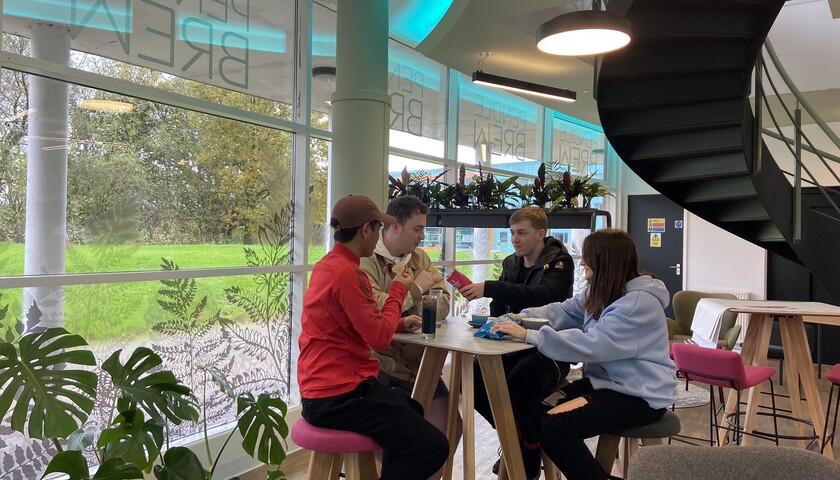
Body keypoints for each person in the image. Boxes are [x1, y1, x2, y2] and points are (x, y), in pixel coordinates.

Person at [491, 228, 678, 480]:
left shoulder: (637, 304)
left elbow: (592, 343)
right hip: (606, 385)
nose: (581, 262)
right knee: (536, 415)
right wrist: (523, 317)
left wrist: (530, 335)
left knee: (554, 425)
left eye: (587, 257)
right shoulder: (603, 292)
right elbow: (564, 311)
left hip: (639, 396)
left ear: (605, 261)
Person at [298, 195, 448, 480]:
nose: (379, 236)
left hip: (322, 389)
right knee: (434, 446)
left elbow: (358, 323)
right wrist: (400, 291)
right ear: (366, 230)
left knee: (414, 408)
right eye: (378, 229)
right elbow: (379, 338)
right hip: (339, 395)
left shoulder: (328, 265)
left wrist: (400, 323)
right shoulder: (349, 273)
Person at [459, 206, 575, 479]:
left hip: (549, 349)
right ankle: (520, 441)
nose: (515, 239)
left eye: (522, 233)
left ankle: (525, 446)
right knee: (474, 379)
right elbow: (499, 306)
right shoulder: (511, 263)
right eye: (512, 233)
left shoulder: (560, 262)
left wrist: (489, 286)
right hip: (511, 345)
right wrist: (494, 325)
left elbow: (544, 295)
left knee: (519, 382)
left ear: (541, 234)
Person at [360, 195, 463, 457]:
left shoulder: (420, 259)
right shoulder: (365, 261)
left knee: (451, 427)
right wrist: (417, 291)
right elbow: (375, 311)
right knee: (402, 443)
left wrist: (411, 302)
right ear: (395, 226)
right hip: (382, 365)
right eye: (417, 229)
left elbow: (442, 305)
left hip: (420, 366)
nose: (422, 236)